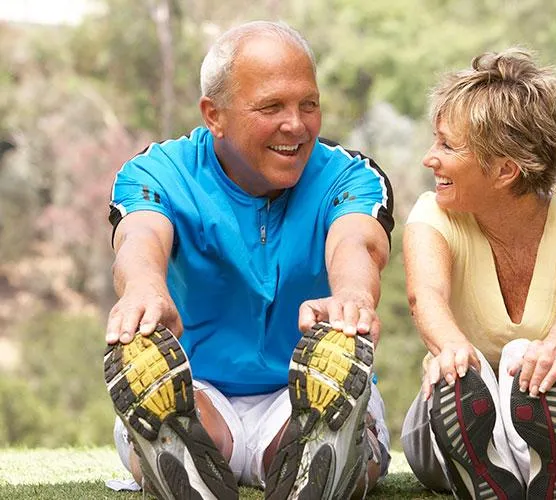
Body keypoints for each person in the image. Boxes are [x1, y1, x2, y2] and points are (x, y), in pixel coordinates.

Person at [103, 20, 394, 500]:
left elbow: (356, 243)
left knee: (309, 428)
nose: (296, 125)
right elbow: (139, 236)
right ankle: (173, 442)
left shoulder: (350, 176)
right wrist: (144, 289)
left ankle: (327, 448)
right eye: (271, 107)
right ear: (213, 115)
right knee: (190, 416)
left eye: (308, 104)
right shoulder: (157, 171)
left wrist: (353, 296)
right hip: (199, 388)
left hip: (304, 392)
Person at [400, 48, 556, 500]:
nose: (430, 159)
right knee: (468, 377)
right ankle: (495, 456)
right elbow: (424, 295)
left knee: (521, 361)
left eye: (448, 145)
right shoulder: (434, 216)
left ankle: (545, 454)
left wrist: (552, 353)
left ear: (505, 170)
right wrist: (451, 351)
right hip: (444, 410)